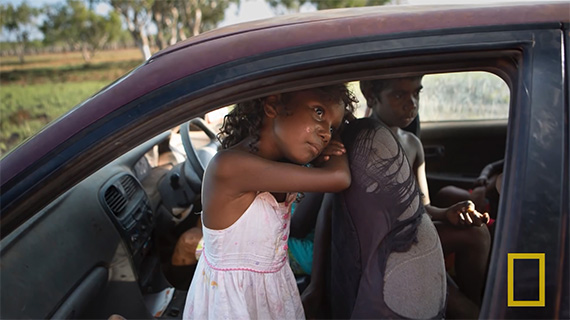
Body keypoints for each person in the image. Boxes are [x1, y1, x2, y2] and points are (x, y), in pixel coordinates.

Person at [182, 84, 357, 319]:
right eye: (318, 112)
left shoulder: (280, 168)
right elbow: (339, 178)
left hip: (273, 294)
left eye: (333, 128)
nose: (327, 134)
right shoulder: (229, 166)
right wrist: (339, 152)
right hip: (232, 303)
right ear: (273, 105)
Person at [359, 76, 491, 318]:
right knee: (467, 311)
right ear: (370, 94)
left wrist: (447, 213)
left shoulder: (413, 144)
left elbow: (421, 203)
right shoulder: (361, 143)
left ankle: (477, 302)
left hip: (415, 235)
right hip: (384, 249)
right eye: (399, 95)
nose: (411, 103)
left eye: (416, 94)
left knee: (477, 232)